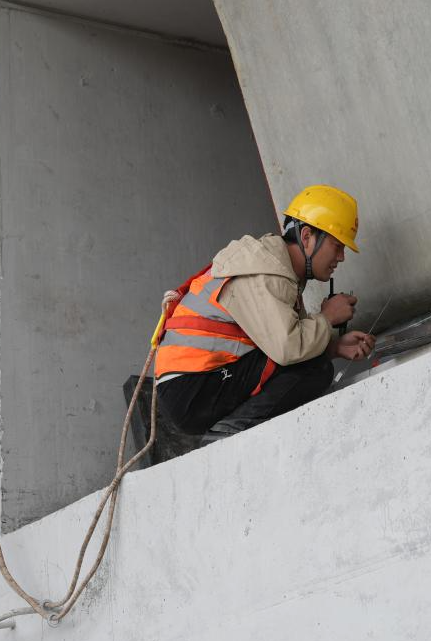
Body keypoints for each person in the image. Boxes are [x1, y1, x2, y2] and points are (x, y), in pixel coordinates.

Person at [154, 184, 375, 446]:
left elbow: (286, 348)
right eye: (337, 246)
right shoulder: (266, 273)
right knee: (315, 372)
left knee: (313, 364)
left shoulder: (277, 270)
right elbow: (288, 349)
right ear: (307, 238)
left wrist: (334, 348)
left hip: (196, 382)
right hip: (191, 387)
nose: (341, 257)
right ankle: (224, 439)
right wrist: (326, 318)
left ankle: (225, 432)